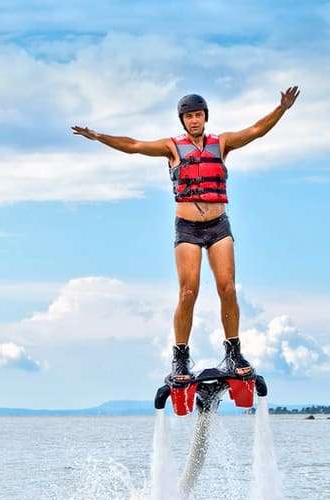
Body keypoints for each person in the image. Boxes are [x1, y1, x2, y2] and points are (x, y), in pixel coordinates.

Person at [72, 86, 300, 384]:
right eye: (189, 116)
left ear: (205, 117)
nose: (194, 120)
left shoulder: (223, 143)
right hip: (188, 228)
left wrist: (281, 109)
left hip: (219, 226)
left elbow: (256, 130)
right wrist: (100, 137)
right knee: (188, 291)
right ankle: (180, 356)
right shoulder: (172, 147)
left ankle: (233, 352)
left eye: (198, 115)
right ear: (183, 120)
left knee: (227, 288)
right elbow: (134, 145)